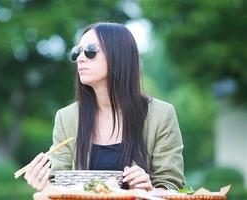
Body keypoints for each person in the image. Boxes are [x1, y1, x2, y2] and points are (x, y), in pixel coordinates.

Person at [24, 22, 185, 192]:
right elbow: (59, 184)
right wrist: (45, 185)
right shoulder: (66, 118)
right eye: (77, 52)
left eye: (91, 51)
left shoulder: (161, 115)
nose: (80, 58)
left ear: (119, 56)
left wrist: (148, 190)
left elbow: (171, 184)